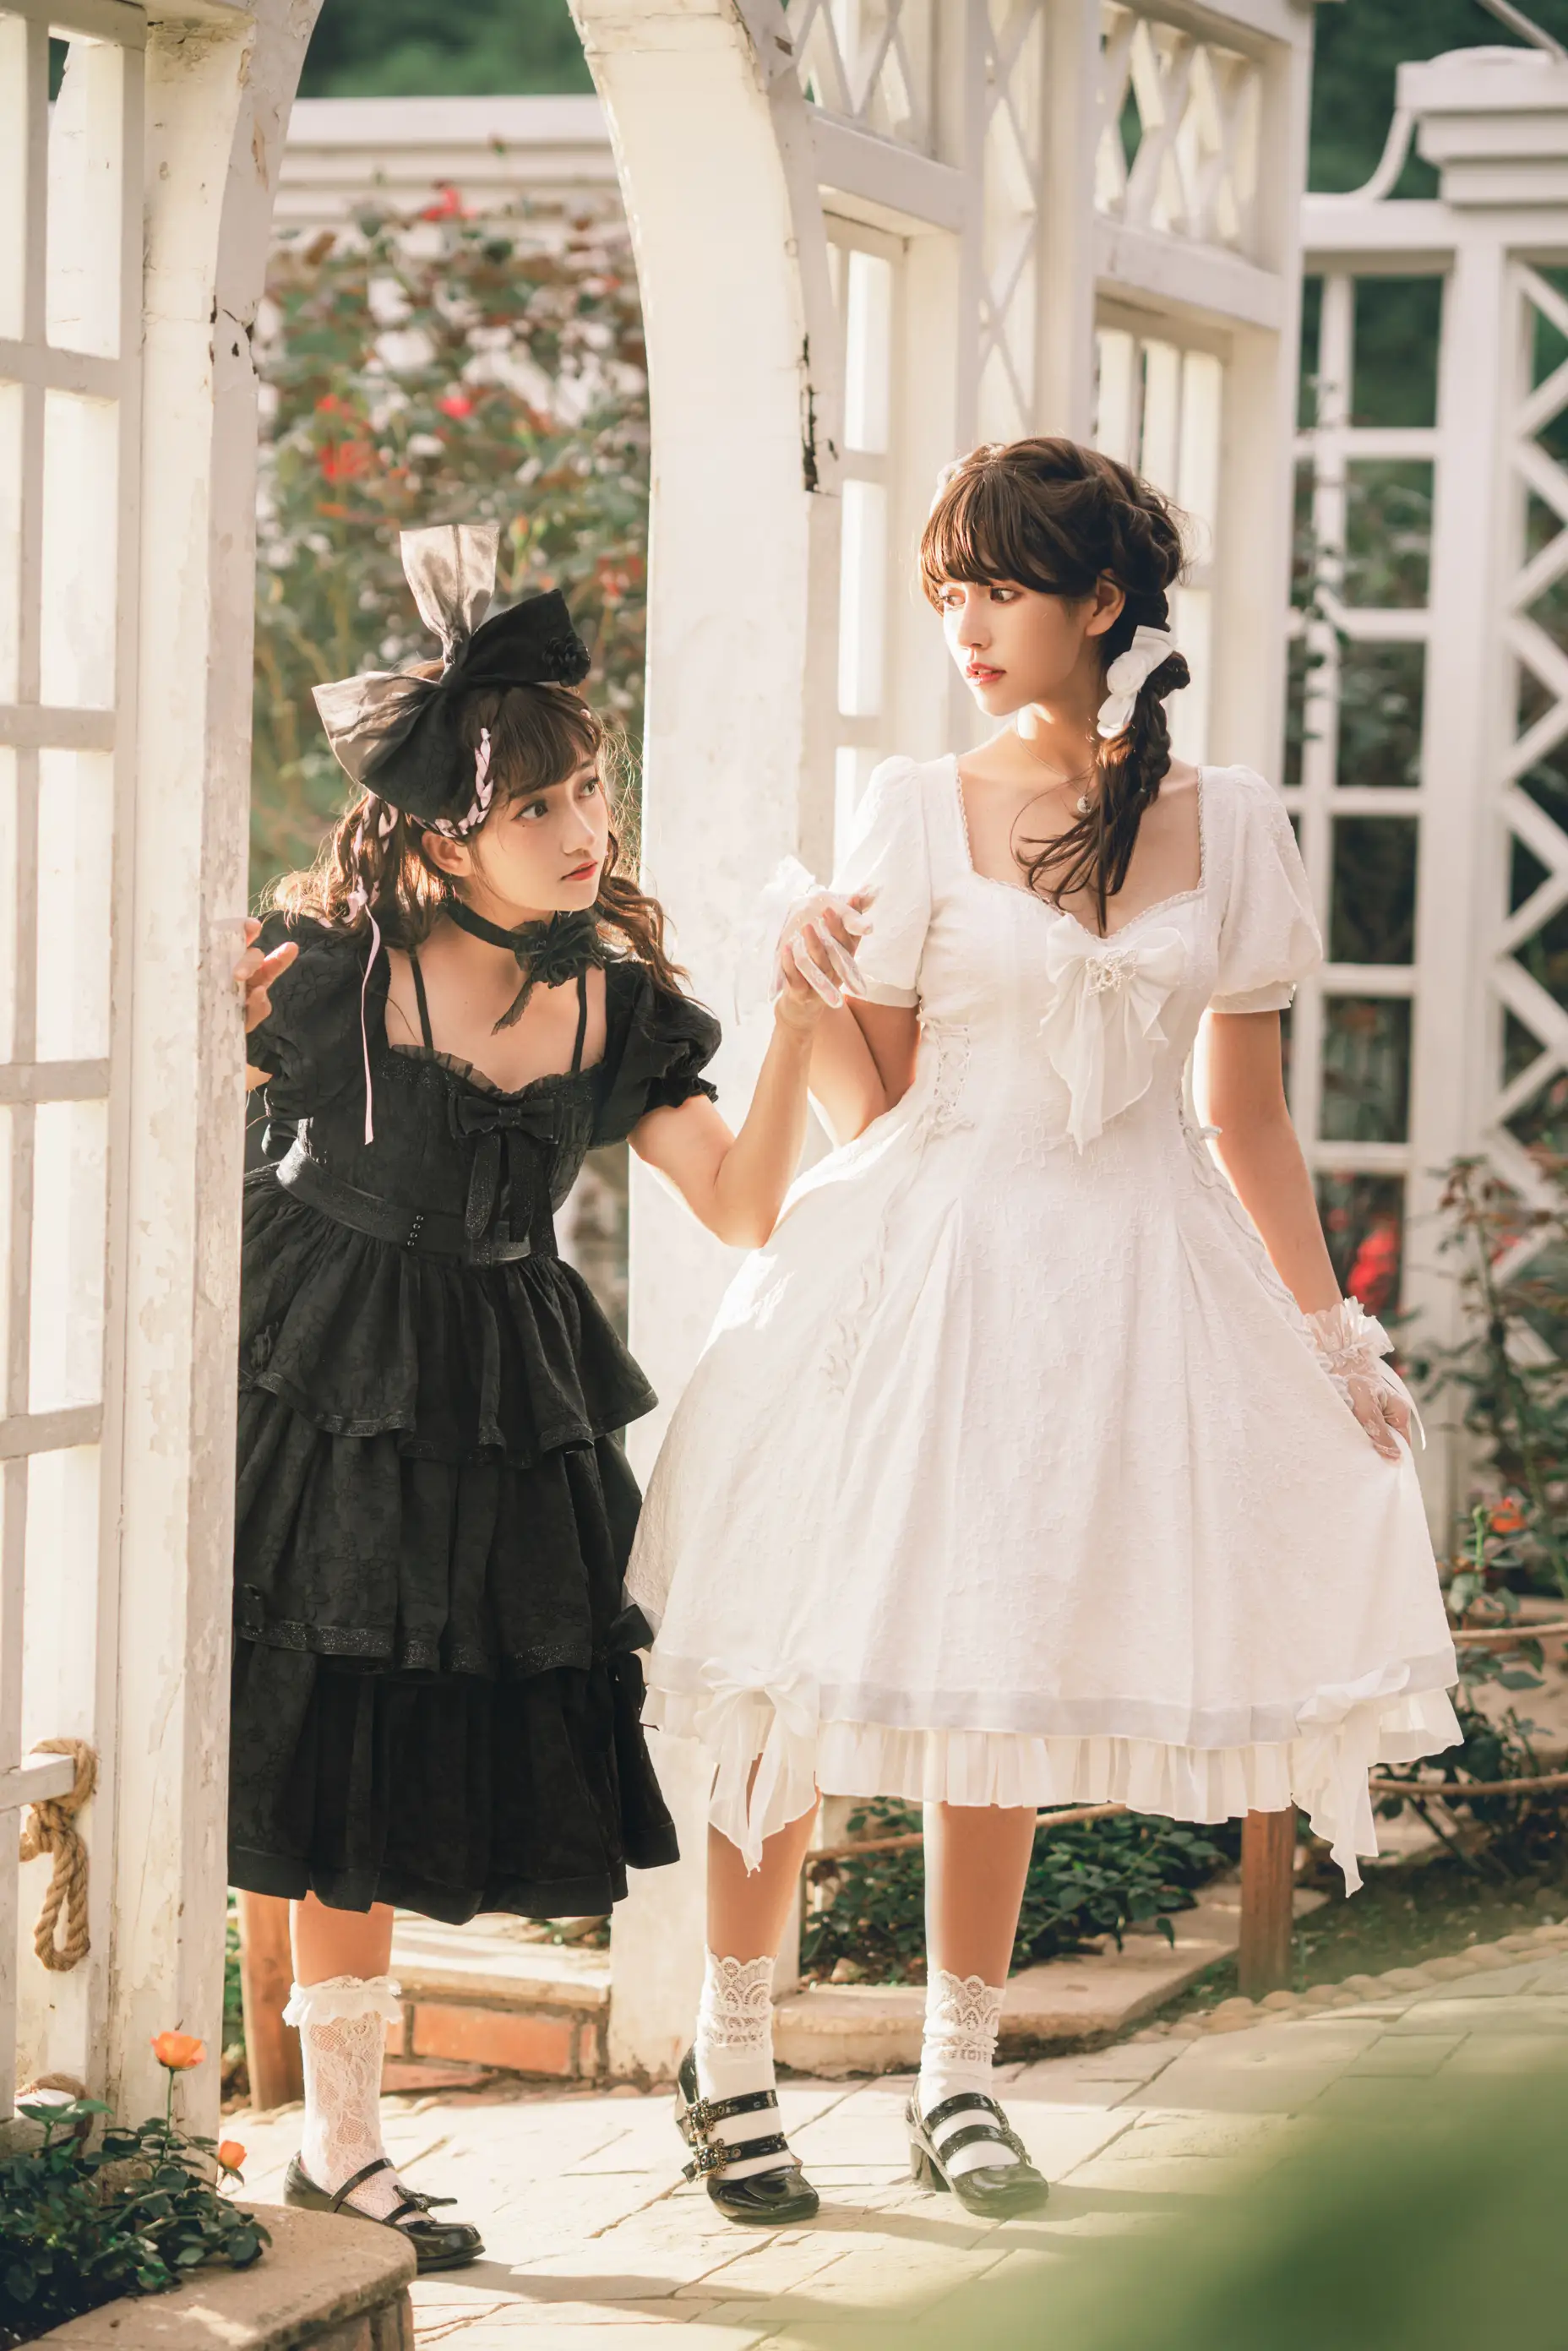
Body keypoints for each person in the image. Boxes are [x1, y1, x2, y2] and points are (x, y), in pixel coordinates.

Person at [626, 438, 1460, 2223]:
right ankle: (734, 2052)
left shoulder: (1229, 819)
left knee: (996, 1667)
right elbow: (881, 1100)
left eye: (999, 586)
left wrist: (1330, 1338)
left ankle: (960, 2077)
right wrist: (802, 981)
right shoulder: (915, 805)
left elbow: (1247, 1114)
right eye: (949, 590)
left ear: (1103, 601)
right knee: (788, 1660)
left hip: (1127, 1282)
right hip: (923, 1262)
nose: (967, 622)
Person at [231, 524, 844, 2268]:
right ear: (446, 830)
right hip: (322, 1367)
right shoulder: (339, 968)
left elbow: (743, 1205)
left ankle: (342, 2140)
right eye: (542, 805)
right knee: (335, 1729)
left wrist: (798, 1019)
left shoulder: (614, 1006)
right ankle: (344, 2142)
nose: (587, 830)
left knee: (416, 1731)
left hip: (500, 1382)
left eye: (594, 791)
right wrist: (205, 1024)